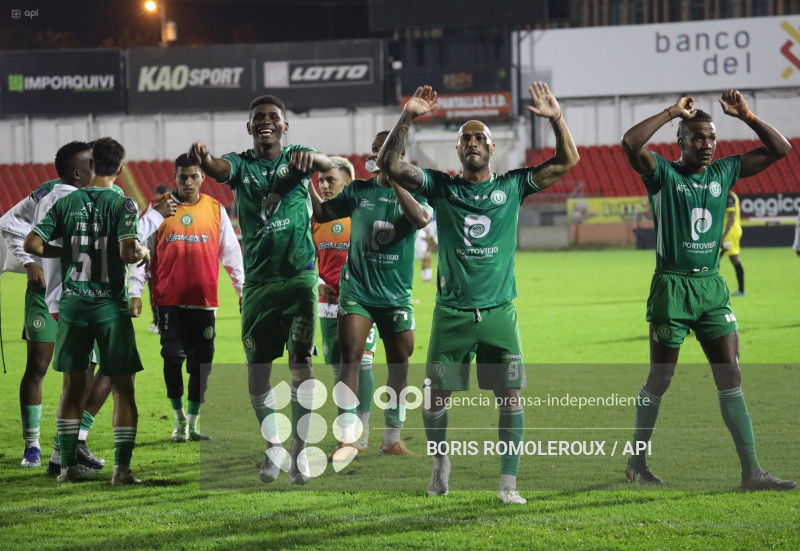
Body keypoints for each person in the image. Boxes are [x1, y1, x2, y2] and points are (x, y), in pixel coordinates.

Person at [378, 82, 579, 504]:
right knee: (435, 399)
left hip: (498, 315)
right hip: (451, 315)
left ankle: (508, 484)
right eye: (465, 138)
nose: (472, 142)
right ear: (457, 150)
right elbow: (390, 165)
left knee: (510, 397)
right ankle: (440, 468)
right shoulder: (442, 187)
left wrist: (557, 118)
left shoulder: (514, 186)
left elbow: (568, 160)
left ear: (491, 148)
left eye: (479, 137)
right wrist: (409, 114)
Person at [619, 89, 795, 490]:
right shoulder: (662, 173)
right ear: (680, 141)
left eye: (712, 138)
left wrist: (747, 115)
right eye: (698, 137)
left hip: (711, 288)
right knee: (661, 378)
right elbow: (630, 143)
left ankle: (751, 471)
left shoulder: (725, 171)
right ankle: (637, 462)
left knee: (730, 373)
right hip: (672, 287)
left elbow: (780, 149)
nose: (707, 144)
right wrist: (671, 112)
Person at [0, 141, 173, 473]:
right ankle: (92, 461)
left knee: (73, 380)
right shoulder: (110, 200)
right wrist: (144, 248)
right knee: (116, 380)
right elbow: (126, 249)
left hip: (68, 302)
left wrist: (47, 257)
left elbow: (34, 240)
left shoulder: (65, 200)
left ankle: (63, 460)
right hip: (99, 302)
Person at [187, 94, 331, 485]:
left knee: (301, 363)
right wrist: (205, 159)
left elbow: (327, 164)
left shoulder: (297, 156)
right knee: (257, 372)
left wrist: (312, 162)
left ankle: (300, 452)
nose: (266, 121)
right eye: (259, 118)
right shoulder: (241, 165)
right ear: (250, 128)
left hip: (300, 276)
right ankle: (274, 447)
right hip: (259, 284)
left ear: (285, 126)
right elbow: (218, 167)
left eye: (273, 117)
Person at [310, 135, 433, 459]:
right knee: (350, 358)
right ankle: (349, 437)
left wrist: (395, 183)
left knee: (400, 363)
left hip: (395, 295)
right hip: (357, 291)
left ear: (400, 154)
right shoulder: (358, 190)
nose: (381, 154)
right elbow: (322, 215)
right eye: (377, 150)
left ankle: (391, 438)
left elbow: (420, 219)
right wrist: (305, 182)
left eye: (388, 150)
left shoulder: (418, 191)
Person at [129, 154, 244, 442]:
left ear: (202, 177)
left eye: (194, 176)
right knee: (172, 359)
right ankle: (178, 420)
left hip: (204, 300)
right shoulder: (159, 209)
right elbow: (142, 251)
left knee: (201, 365)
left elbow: (231, 254)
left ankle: (192, 424)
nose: (188, 182)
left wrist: (242, 290)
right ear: (175, 177)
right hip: (168, 299)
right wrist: (134, 291)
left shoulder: (216, 210)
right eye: (183, 177)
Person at [312, 156, 377, 452]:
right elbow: (305, 260)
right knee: (339, 370)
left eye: (330, 180)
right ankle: (346, 430)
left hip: (361, 303)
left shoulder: (362, 215)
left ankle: (357, 432)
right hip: (327, 305)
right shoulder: (314, 219)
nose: (324, 185)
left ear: (348, 183)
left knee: (361, 365)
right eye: (321, 181)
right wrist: (318, 283)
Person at [148, 183, 172, 333]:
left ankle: (164, 322)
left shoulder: (176, 214)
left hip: (170, 267)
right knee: (155, 296)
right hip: (155, 266)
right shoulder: (149, 214)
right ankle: (157, 321)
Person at [720, 190, 745, 296]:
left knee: (715, 260)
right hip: (732, 231)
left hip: (729, 233)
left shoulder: (728, 196)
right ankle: (741, 290)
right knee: (733, 259)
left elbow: (731, 218)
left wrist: (723, 236)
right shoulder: (733, 195)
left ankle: (714, 290)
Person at [415, 216, 437, 284]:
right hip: (418, 240)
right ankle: (426, 278)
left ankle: (426, 278)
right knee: (427, 257)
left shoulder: (430, 226)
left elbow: (430, 239)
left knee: (427, 257)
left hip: (422, 241)